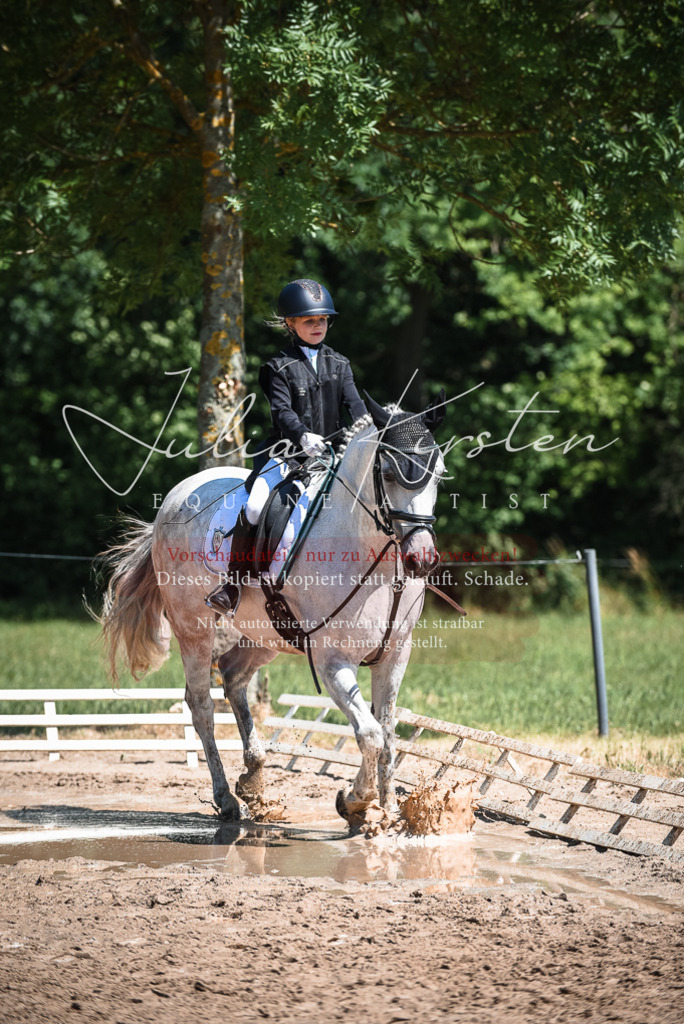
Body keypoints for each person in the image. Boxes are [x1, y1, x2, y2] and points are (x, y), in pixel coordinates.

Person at [206, 278, 367, 615]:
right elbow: (281, 410)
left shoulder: (340, 364)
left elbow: (357, 408)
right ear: (290, 324)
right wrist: (303, 436)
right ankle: (233, 585)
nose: (318, 325)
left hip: (332, 456)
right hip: (286, 454)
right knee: (254, 506)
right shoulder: (277, 366)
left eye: (323, 319)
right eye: (309, 320)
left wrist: (368, 434)